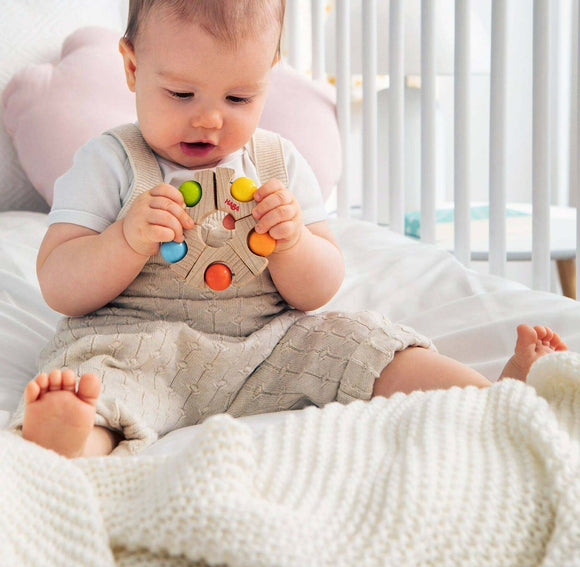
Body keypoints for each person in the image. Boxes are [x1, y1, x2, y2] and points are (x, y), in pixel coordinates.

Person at [10, 0, 567, 458]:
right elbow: (60, 283)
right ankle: (69, 439)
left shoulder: (278, 163)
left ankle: (493, 397)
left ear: (268, 75)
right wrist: (124, 240)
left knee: (360, 342)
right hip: (140, 345)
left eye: (238, 97)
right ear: (132, 68)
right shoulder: (110, 162)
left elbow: (318, 288)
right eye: (181, 94)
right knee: (95, 378)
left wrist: (294, 243)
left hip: (267, 347)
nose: (210, 118)